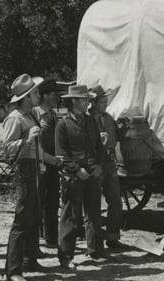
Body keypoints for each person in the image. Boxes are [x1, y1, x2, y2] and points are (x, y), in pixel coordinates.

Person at [2, 74, 61, 281]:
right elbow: (7, 149)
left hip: (37, 169)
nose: (38, 95)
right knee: (21, 221)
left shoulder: (31, 117)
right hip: (24, 171)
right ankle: (13, 271)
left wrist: (53, 160)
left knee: (34, 217)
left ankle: (30, 259)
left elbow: (38, 149)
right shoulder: (15, 118)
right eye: (35, 93)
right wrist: (26, 140)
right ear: (26, 97)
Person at [56, 84, 106, 269]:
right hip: (73, 176)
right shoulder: (63, 124)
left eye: (87, 99)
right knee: (70, 216)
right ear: (74, 101)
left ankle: (96, 251)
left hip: (92, 172)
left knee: (94, 213)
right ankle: (66, 257)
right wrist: (77, 170)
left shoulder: (91, 121)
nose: (87, 102)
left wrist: (99, 165)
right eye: (84, 99)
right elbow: (61, 154)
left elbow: (99, 146)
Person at [88, 84, 130, 249]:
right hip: (96, 163)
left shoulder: (108, 118)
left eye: (106, 101)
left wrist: (124, 126)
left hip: (110, 163)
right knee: (94, 204)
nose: (105, 104)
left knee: (115, 201)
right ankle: (95, 242)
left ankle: (113, 237)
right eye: (102, 101)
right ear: (94, 102)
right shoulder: (88, 119)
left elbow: (117, 136)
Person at [32, 79, 62, 248]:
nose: (57, 98)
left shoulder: (52, 114)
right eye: (54, 95)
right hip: (39, 164)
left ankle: (51, 238)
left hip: (52, 163)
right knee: (38, 201)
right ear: (44, 96)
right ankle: (36, 239)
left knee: (51, 201)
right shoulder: (36, 114)